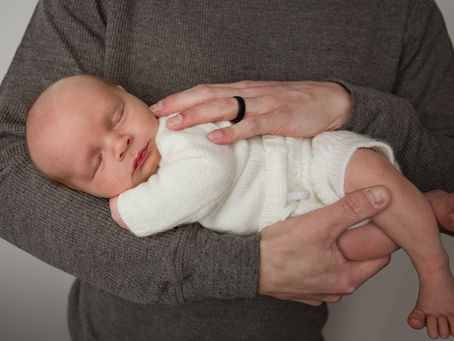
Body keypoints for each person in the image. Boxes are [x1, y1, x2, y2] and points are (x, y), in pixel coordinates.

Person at [1, 0, 453, 340]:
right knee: (359, 240)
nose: (119, 144)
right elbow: (6, 166)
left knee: (378, 191)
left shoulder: (175, 131)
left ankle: (432, 262)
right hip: (117, 331)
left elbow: (447, 170)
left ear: (125, 93)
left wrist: (348, 107)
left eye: (117, 118)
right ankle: (421, 215)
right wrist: (242, 265)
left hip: (313, 174)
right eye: (97, 162)